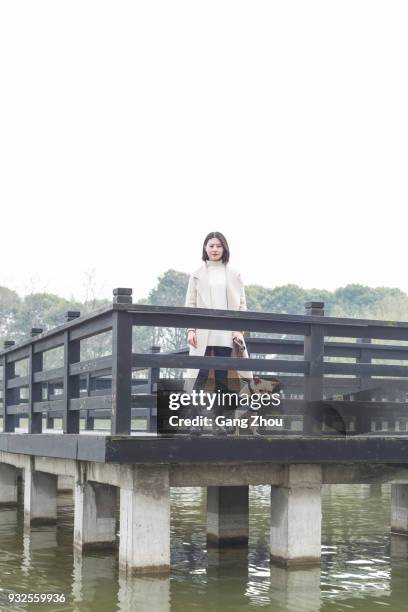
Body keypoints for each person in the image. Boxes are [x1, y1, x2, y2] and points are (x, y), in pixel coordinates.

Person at [184, 231, 252, 434]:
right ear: (205, 248)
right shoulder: (196, 274)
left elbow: (241, 304)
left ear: (225, 248)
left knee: (223, 378)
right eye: (211, 245)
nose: (214, 249)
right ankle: (194, 423)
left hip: (227, 333)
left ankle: (220, 423)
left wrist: (239, 331)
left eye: (218, 246)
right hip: (203, 333)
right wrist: (190, 329)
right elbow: (190, 304)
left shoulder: (234, 274)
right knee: (199, 377)